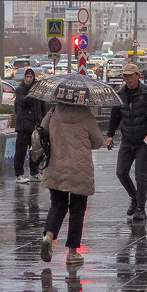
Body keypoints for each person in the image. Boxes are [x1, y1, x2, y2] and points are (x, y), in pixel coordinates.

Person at [39, 99, 104, 266]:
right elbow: (97, 142)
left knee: (57, 205)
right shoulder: (86, 116)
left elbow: (41, 132)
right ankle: (73, 253)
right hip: (79, 169)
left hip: (56, 167)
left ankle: (49, 236)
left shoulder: (52, 113)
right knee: (77, 210)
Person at [107, 63, 147, 222]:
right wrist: (110, 135)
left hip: (142, 141)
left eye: (131, 75)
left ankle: (140, 208)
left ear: (138, 75)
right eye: (125, 76)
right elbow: (115, 117)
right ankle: (134, 197)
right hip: (126, 140)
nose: (128, 79)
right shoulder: (120, 94)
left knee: (140, 175)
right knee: (121, 172)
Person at [13, 69, 46, 183]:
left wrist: (42, 121)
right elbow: (23, 102)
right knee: (20, 151)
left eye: (31, 77)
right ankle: (19, 174)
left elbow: (42, 107)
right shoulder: (21, 90)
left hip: (35, 126)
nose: (29, 79)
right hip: (23, 127)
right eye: (27, 77)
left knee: (35, 151)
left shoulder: (38, 91)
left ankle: (34, 172)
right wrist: (34, 94)